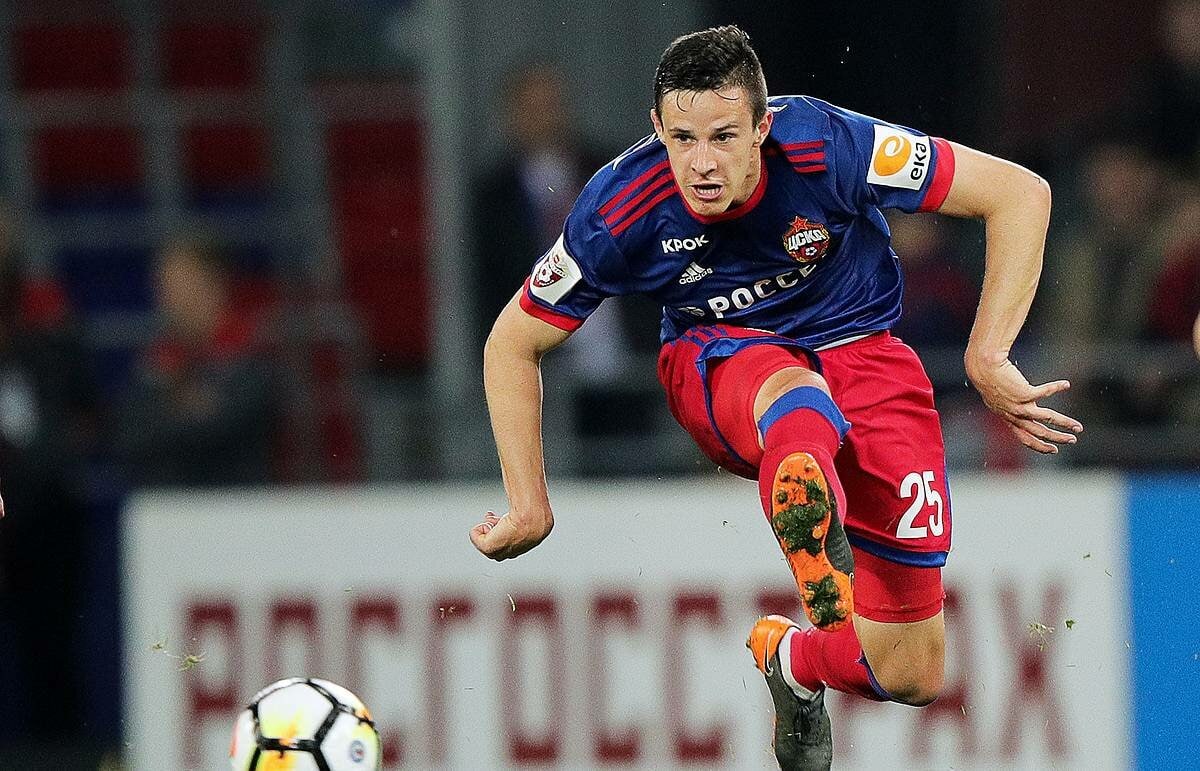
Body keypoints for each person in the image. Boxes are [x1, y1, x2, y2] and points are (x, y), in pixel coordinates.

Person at [469, 26, 1081, 769]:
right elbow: (511, 343)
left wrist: (988, 353)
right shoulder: (619, 206)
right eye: (682, 138)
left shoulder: (828, 145)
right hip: (719, 360)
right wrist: (528, 501)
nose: (701, 161)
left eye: (724, 136)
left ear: (763, 126)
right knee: (796, 392)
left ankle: (792, 658)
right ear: (657, 128)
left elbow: (1019, 194)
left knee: (912, 670)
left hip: (866, 356)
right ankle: (812, 524)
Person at [112, 235, 277, 487]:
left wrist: (166, 412)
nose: (167, 295)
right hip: (166, 502)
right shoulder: (158, 358)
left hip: (235, 500)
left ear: (213, 283)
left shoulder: (250, 351)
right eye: (163, 283)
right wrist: (188, 409)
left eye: (180, 282)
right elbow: (129, 434)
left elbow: (225, 426)